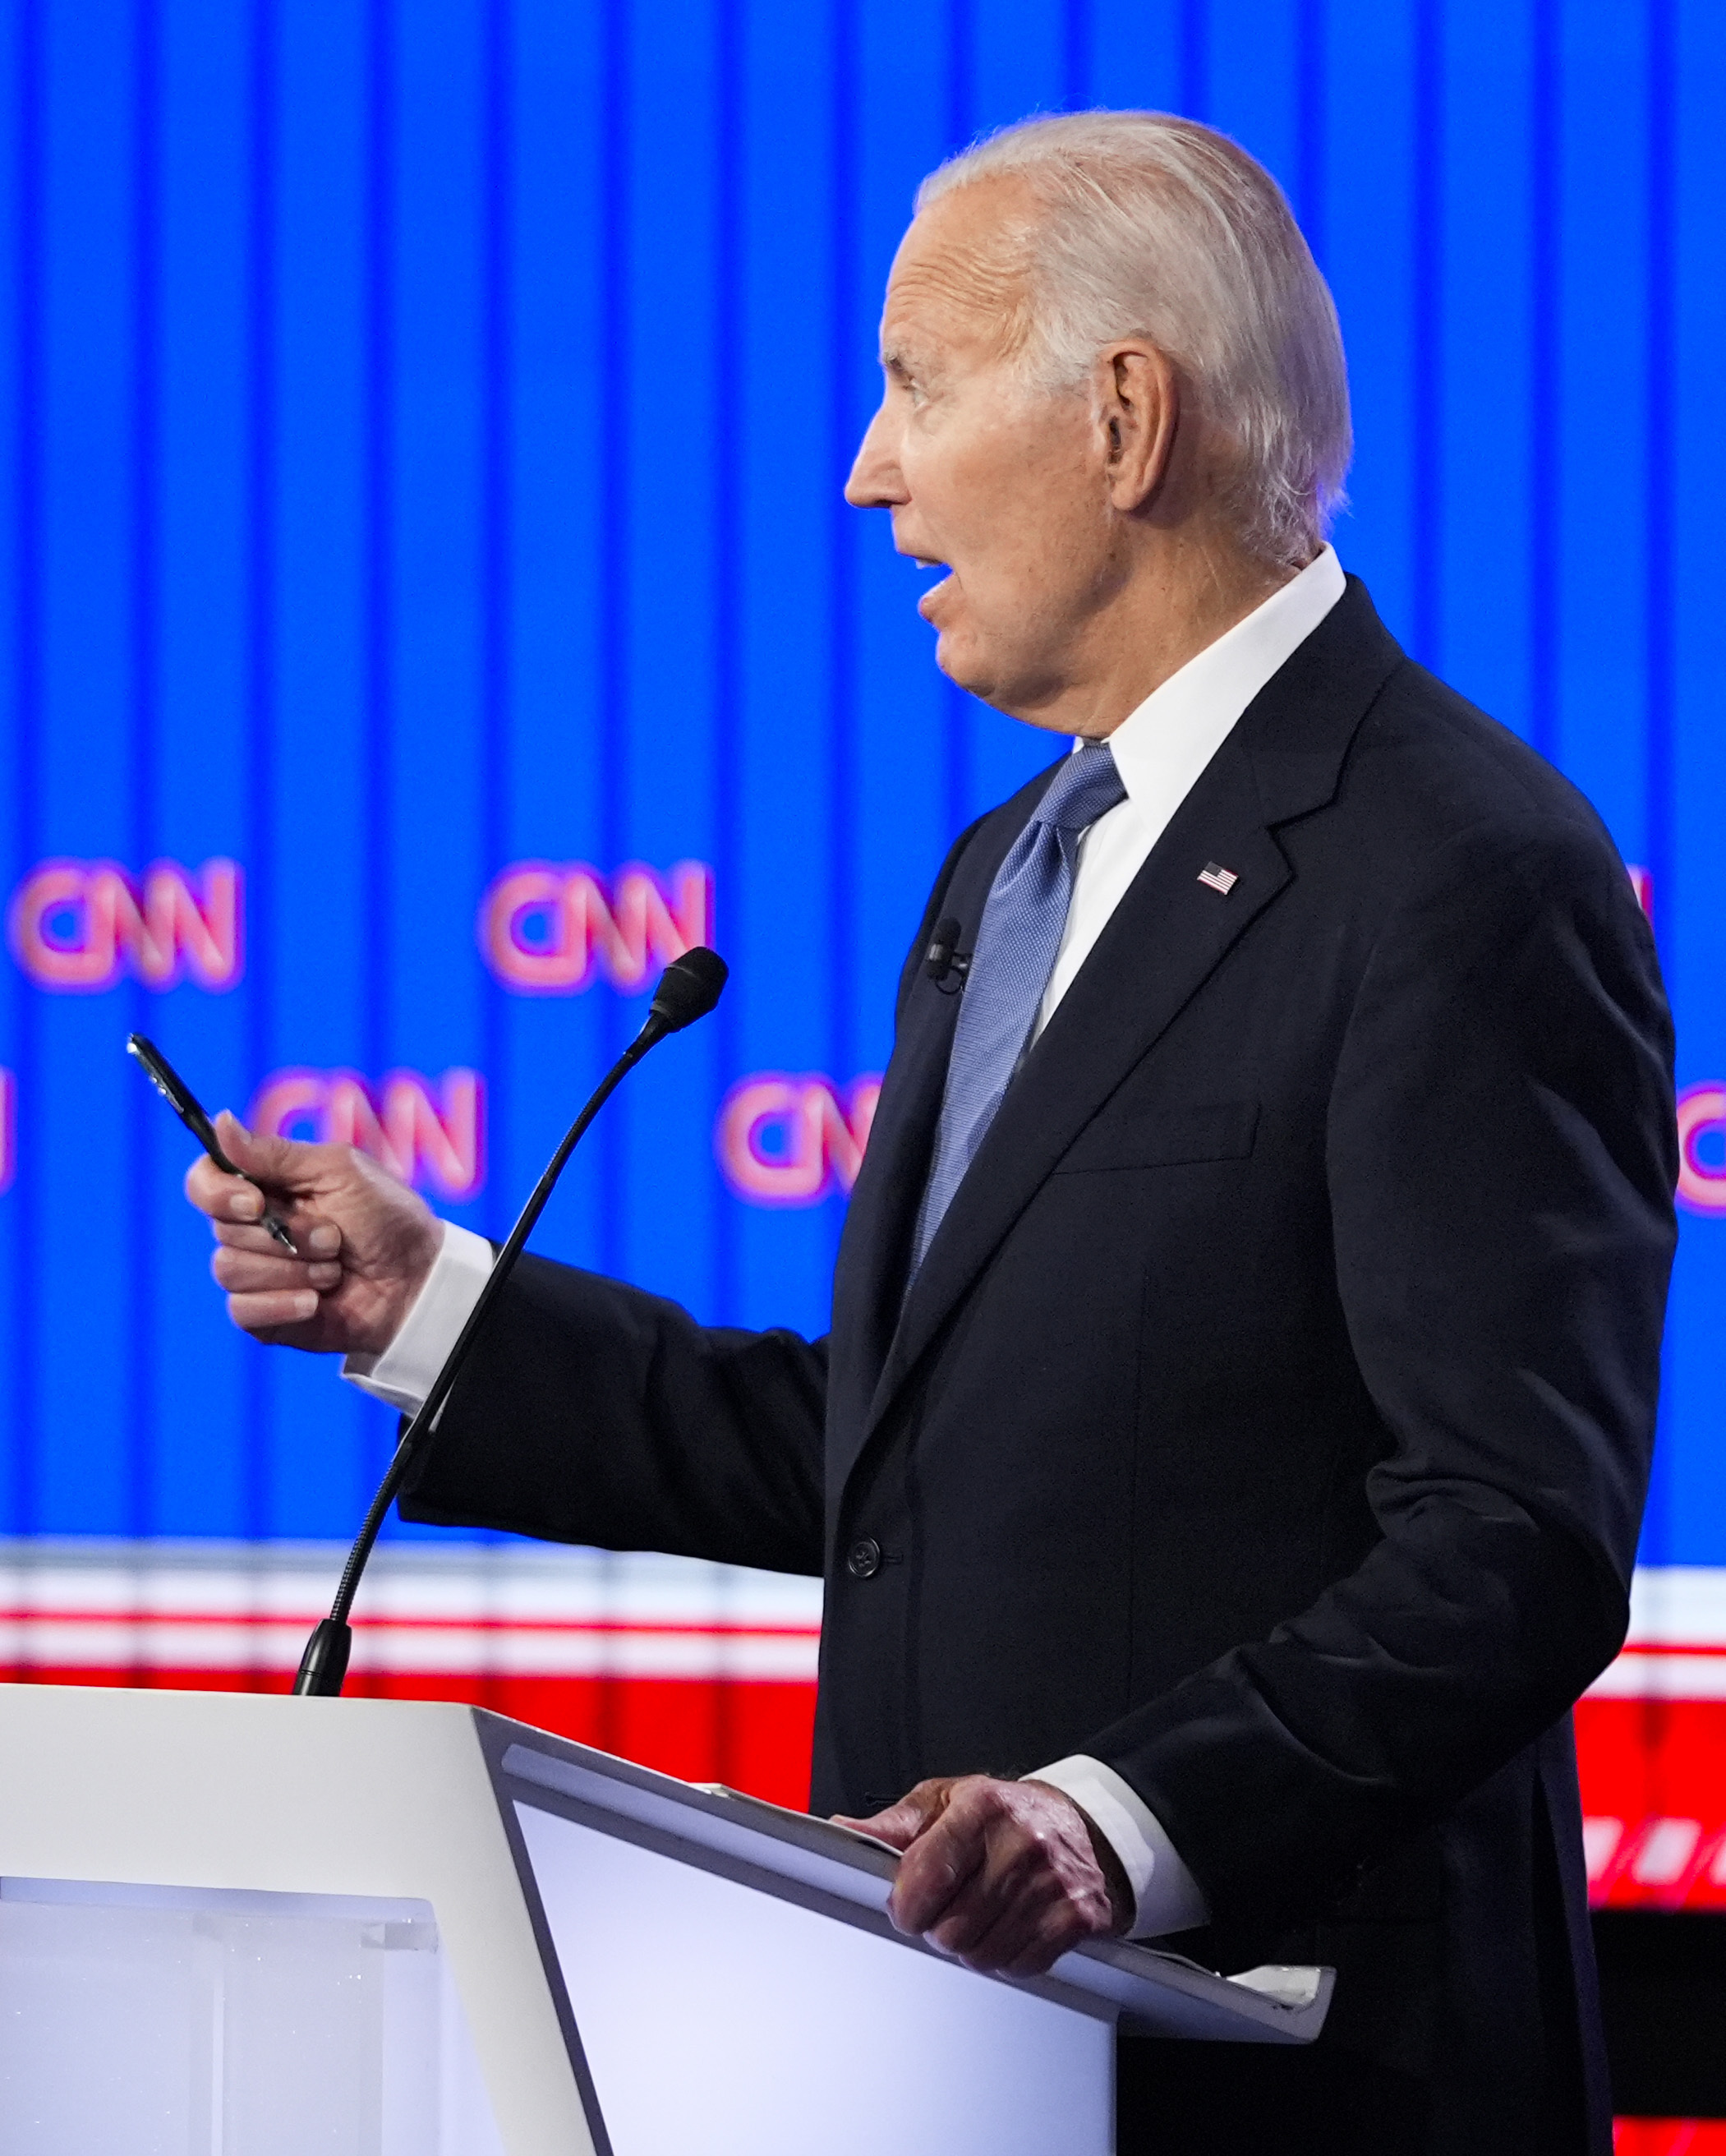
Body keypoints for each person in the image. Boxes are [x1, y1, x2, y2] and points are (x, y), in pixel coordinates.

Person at [186, 113, 1675, 2155]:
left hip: (1301, 2083)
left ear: (1125, 418)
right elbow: (909, 1456)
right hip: (950, 2059)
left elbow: (1513, 1540)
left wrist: (1106, 1821)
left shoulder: (1459, 866)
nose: (866, 468)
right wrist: (432, 1306)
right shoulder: (1014, 867)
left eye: (912, 381)